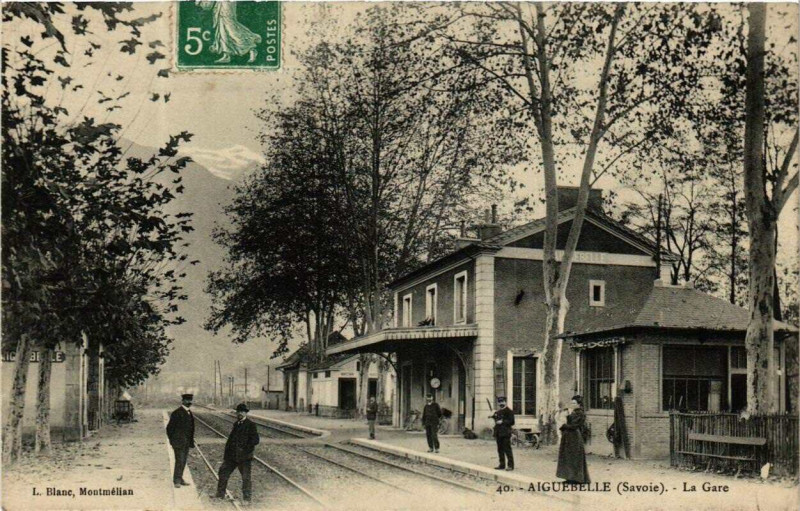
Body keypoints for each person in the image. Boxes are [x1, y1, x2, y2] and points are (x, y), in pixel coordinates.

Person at [214, 403, 260, 502]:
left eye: (242, 412)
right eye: (238, 412)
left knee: (246, 478)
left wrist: (244, 450)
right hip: (232, 457)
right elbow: (231, 440)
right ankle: (220, 494)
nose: (239, 413)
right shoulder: (236, 424)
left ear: (246, 413)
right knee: (223, 472)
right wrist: (227, 455)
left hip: (244, 458)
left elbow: (255, 440)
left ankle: (247, 498)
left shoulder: (251, 425)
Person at [556, 395, 590, 484]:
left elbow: (575, 426)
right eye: (571, 402)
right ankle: (569, 477)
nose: (572, 404)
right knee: (568, 456)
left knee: (575, 457)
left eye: (574, 403)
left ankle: (577, 479)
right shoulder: (572, 412)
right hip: (568, 436)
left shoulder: (580, 413)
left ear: (579, 404)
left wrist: (563, 426)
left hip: (574, 436)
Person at [166, 393, 195, 488]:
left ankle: (180, 478)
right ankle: (176, 480)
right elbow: (169, 428)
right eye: (187, 400)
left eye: (190, 400)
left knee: (183, 461)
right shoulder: (177, 413)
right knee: (180, 460)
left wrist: (190, 441)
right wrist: (172, 440)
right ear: (182, 401)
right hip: (178, 442)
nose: (189, 402)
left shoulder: (189, 413)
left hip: (186, 442)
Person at [491, 396, 515, 471]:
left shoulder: (509, 411)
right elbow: (495, 420)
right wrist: (493, 415)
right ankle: (502, 465)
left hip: (506, 433)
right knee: (500, 449)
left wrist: (502, 422)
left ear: (505, 402)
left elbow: (512, 422)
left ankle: (510, 465)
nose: (501, 403)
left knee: (507, 449)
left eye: (502, 401)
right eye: (499, 402)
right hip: (498, 433)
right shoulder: (497, 412)